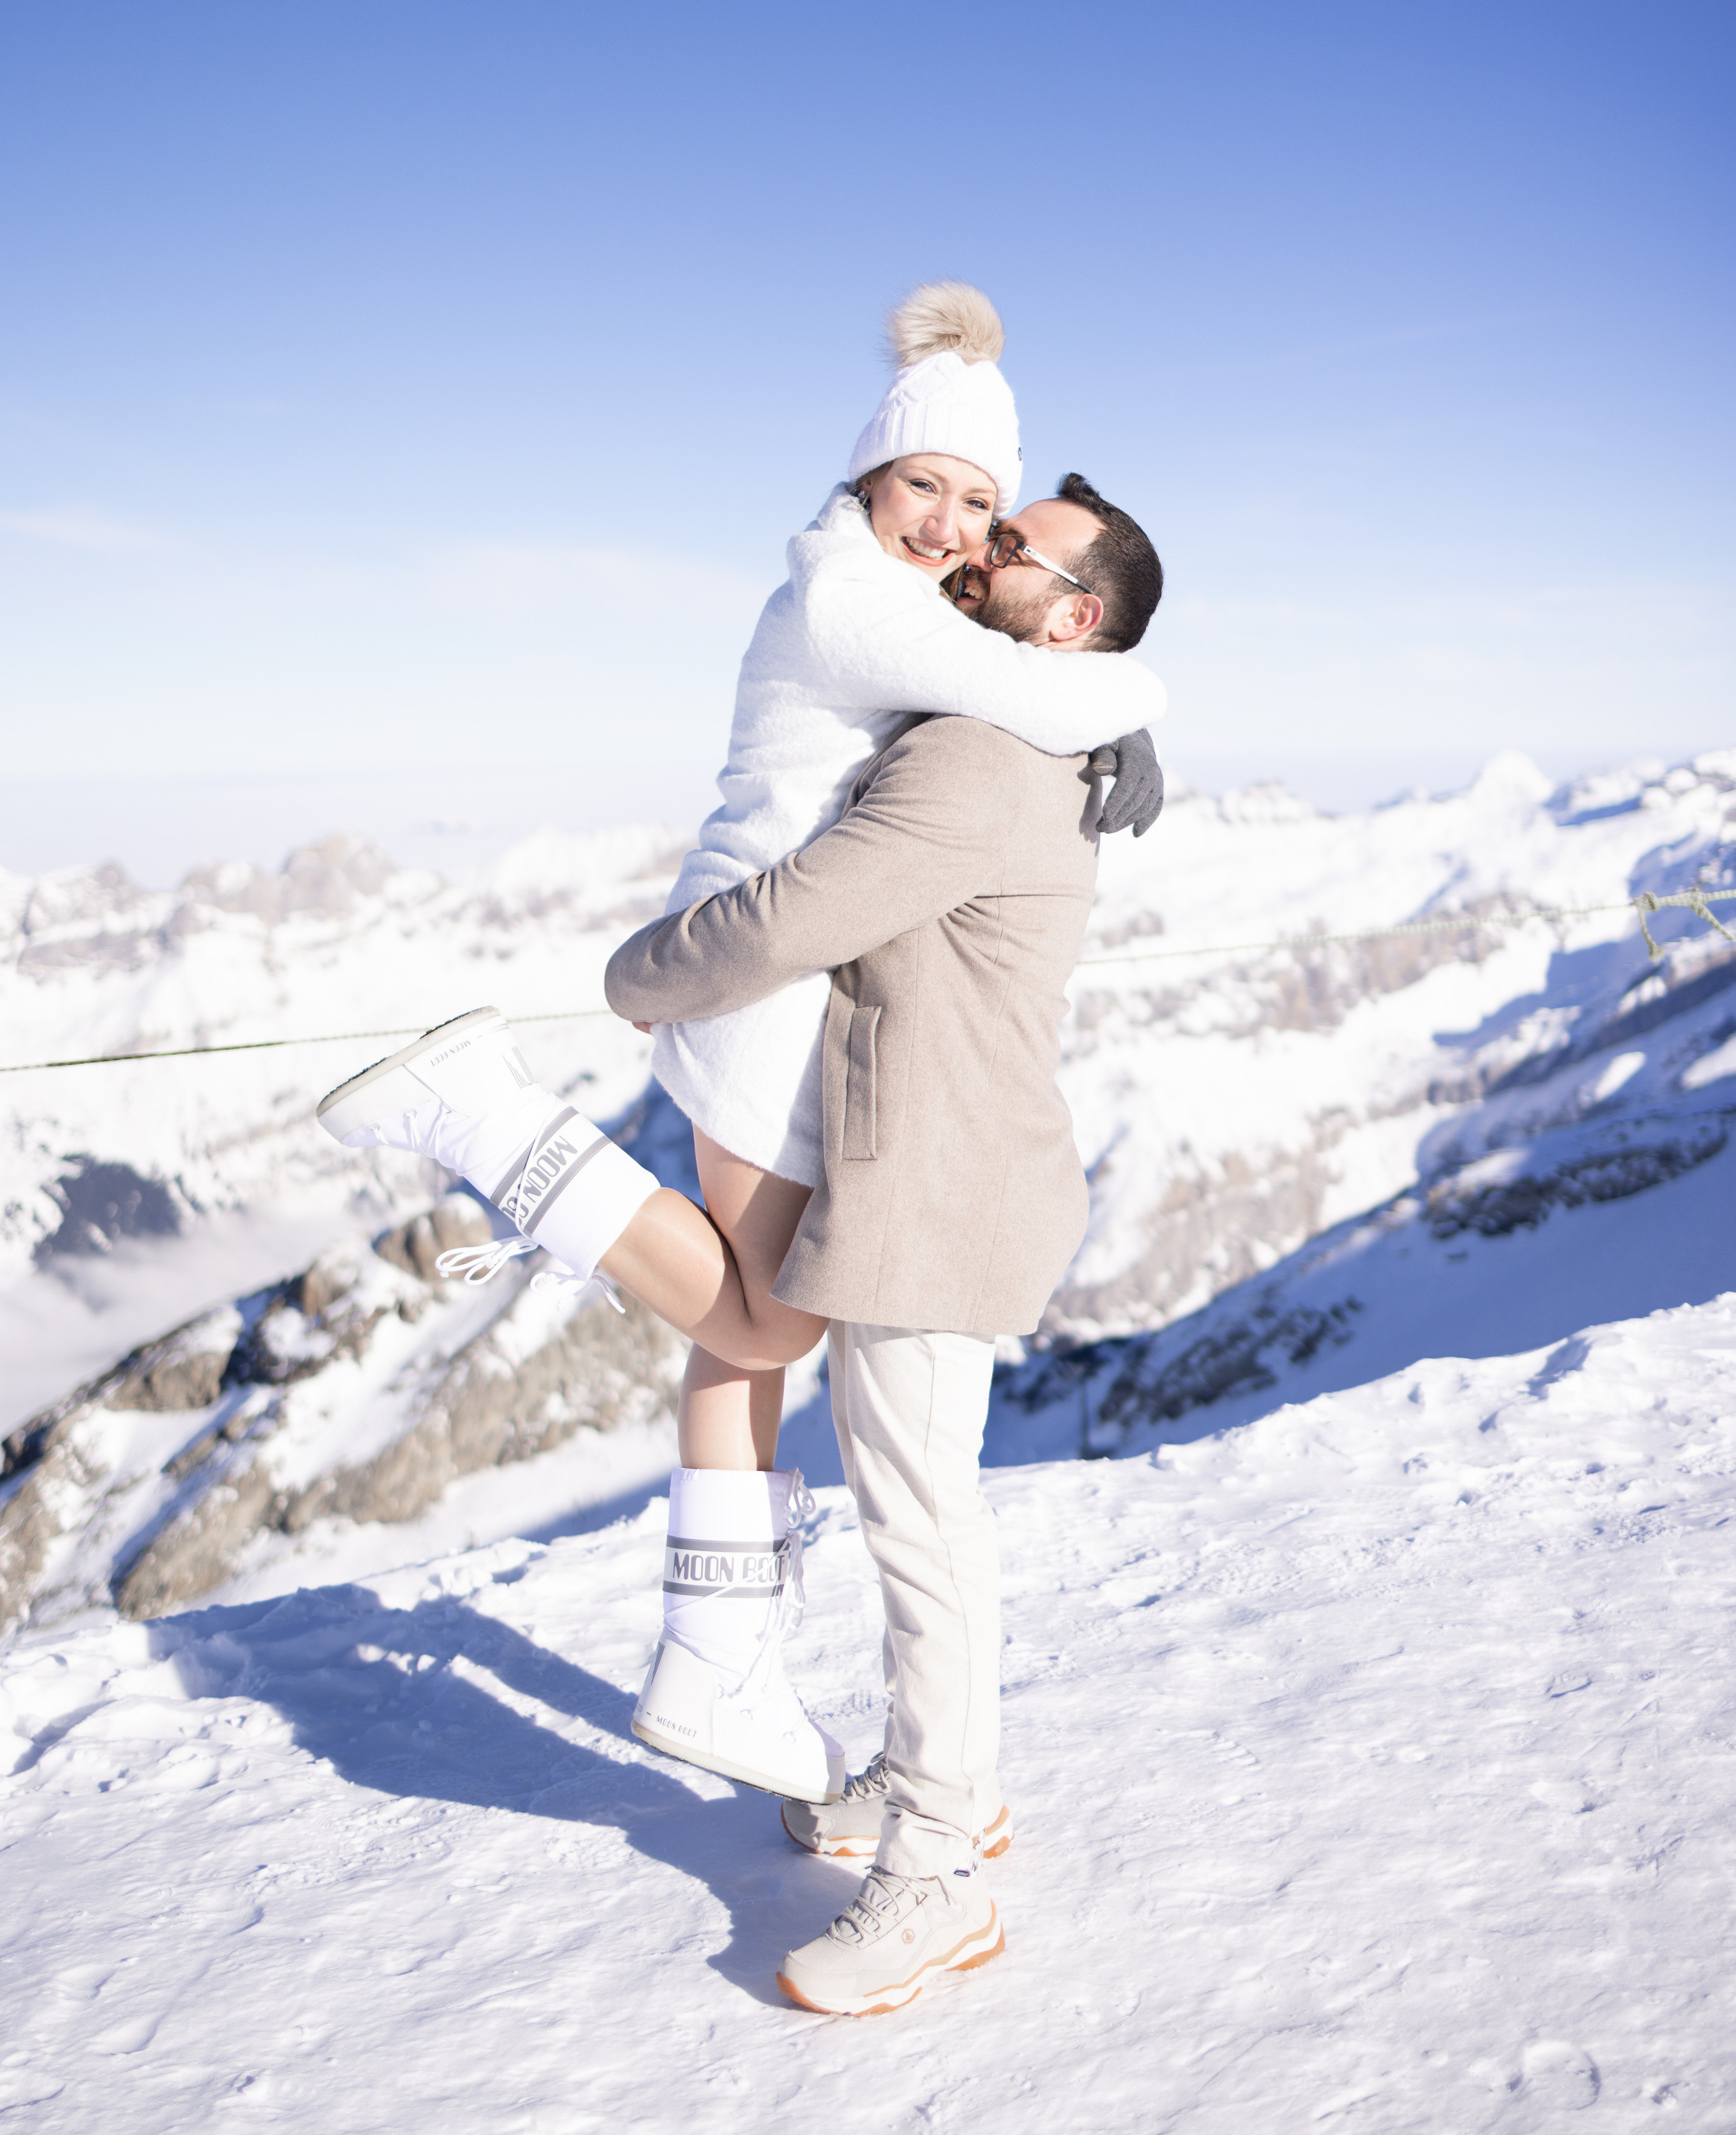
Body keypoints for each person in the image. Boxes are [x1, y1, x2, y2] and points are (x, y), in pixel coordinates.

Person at [317, 451, 1165, 2012]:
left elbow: (786, 918)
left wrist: (632, 980)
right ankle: (945, 1789)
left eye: (1015, 552)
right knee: (892, 1473)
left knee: (923, 1530)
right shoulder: (1017, 726)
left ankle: (935, 1876)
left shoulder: (979, 758)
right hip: (935, 1166)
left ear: (1075, 616)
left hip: (936, 1184)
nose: (977, 562)